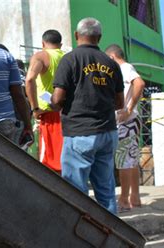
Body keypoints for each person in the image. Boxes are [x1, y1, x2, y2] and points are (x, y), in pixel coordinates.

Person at [51, 17, 124, 214]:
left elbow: (57, 99)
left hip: (79, 133)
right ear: (99, 37)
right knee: (106, 190)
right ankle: (111, 239)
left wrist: (52, 104)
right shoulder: (111, 64)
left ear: (76, 35)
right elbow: (120, 103)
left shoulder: (69, 60)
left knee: (75, 192)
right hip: (107, 132)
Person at [105, 44, 145, 212]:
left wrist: (128, 108)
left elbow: (140, 83)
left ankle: (124, 200)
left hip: (125, 121)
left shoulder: (124, 68)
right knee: (131, 160)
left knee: (124, 161)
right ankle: (134, 197)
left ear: (112, 57)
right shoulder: (126, 68)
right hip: (131, 121)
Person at [25, 29, 64, 174]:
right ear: (60, 45)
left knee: (48, 163)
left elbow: (29, 79)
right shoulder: (68, 57)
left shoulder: (41, 56)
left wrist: (35, 109)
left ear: (43, 43)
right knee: (66, 160)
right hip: (69, 114)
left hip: (48, 115)